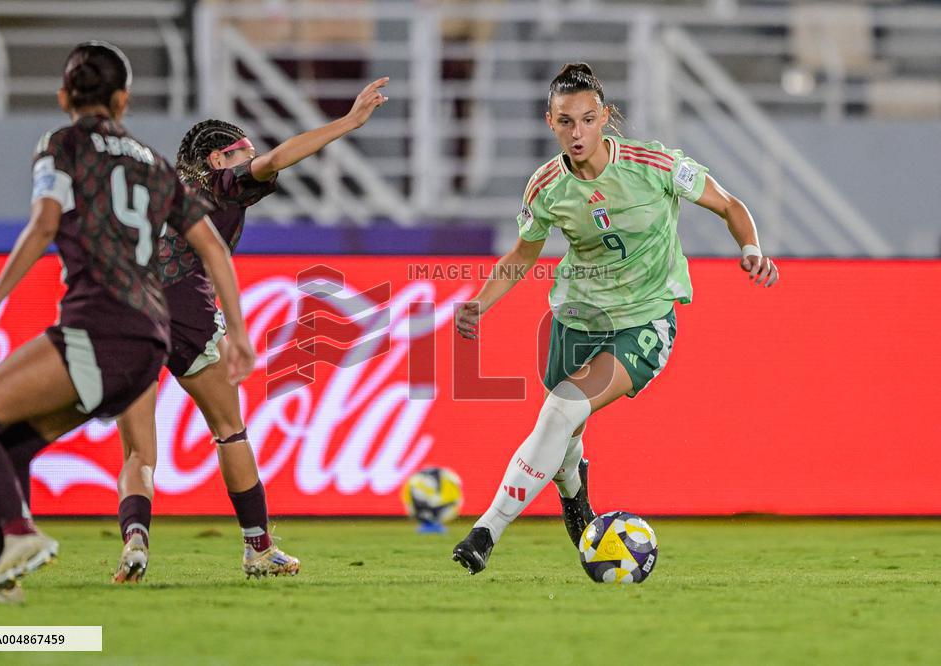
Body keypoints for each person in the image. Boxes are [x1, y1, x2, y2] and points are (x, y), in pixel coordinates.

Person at [0, 41, 254, 604]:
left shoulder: (62, 144)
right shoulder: (153, 162)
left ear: (64, 97)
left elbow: (42, 225)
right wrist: (240, 333)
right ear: (123, 99)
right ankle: (1, 588)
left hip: (99, 327)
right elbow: (213, 249)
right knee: (10, 446)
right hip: (149, 344)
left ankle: (19, 535)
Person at [451, 63, 779, 575]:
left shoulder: (656, 164)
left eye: (586, 119)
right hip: (574, 321)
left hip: (643, 322)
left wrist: (751, 247)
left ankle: (485, 532)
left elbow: (729, 204)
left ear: (604, 117)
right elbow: (523, 253)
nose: (577, 132)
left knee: (560, 412)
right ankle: (577, 504)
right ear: (550, 122)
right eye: (565, 122)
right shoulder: (546, 188)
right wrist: (481, 302)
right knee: (563, 435)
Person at [111, 79, 390, 582]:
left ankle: (135, 539)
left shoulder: (160, 190)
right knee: (229, 430)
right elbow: (281, 157)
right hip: (187, 314)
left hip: (129, 312)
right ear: (218, 161)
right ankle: (259, 550)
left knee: (136, 450)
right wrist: (349, 122)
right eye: (241, 151)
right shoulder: (222, 186)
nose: (252, 157)